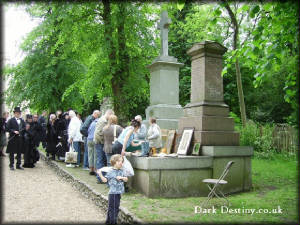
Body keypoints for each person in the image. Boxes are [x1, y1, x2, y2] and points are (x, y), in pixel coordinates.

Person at [97, 154, 128, 225]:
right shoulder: (110, 171)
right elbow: (105, 180)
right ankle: (113, 222)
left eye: (122, 161)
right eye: (119, 161)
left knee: (113, 208)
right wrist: (100, 174)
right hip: (113, 193)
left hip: (118, 193)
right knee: (114, 209)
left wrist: (122, 178)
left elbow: (126, 179)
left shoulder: (122, 170)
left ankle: (108, 221)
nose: (121, 163)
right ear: (114, 162)